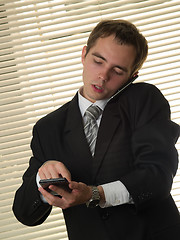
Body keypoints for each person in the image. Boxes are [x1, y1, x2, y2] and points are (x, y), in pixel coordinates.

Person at [13, 19, 180, 240]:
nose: (103, 76)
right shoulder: (48, 128)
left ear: (132, 77)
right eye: (98, 61)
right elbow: (25, 213)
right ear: (84, 55)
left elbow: (157, 176)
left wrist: (95, 194)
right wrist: (42, 177)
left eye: (118, 70)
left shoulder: (145, 100)